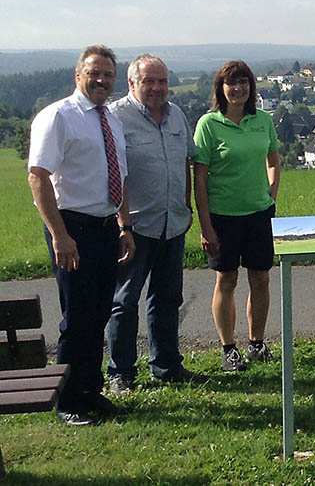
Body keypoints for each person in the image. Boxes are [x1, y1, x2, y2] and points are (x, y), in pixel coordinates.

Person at [27, 45, 135, 425]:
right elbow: (37, 177)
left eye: (108, 74)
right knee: (77, 318)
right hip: (72, 228)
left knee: (100, 313)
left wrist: (124, 225)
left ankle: (91, 390)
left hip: (106, 228)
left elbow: (118, 176)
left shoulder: (111, 119)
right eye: (94, 73)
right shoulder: (59, 116)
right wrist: (59, 235)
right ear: (78, 75)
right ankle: (69, 401)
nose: (102, 80)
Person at [105, 54, 205, 394]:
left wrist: (187, 207)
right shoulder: (116, 117)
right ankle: (120, 373)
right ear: (132, 83)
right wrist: (122, 226)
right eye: (149, 81)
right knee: (124, 300)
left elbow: (188, 163)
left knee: (167, 298)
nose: (156, 88)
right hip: (134, 228)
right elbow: (114, 176)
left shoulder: (177, 114)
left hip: (172, 223)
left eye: (162, 81)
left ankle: (166, 366)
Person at [193, 60, 281, 372]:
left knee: (261, 277)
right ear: (221, 88)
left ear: (251, 87)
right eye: (232, 83)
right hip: (222, 216)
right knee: (226, 279)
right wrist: (206, 225)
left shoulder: (263, 121)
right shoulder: (208, 124)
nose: (238, 88)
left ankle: (256, 343)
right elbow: (200, 179)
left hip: (258, 214)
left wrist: (271, 195)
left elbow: (274, 161)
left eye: (243, 82)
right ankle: (229, 348)